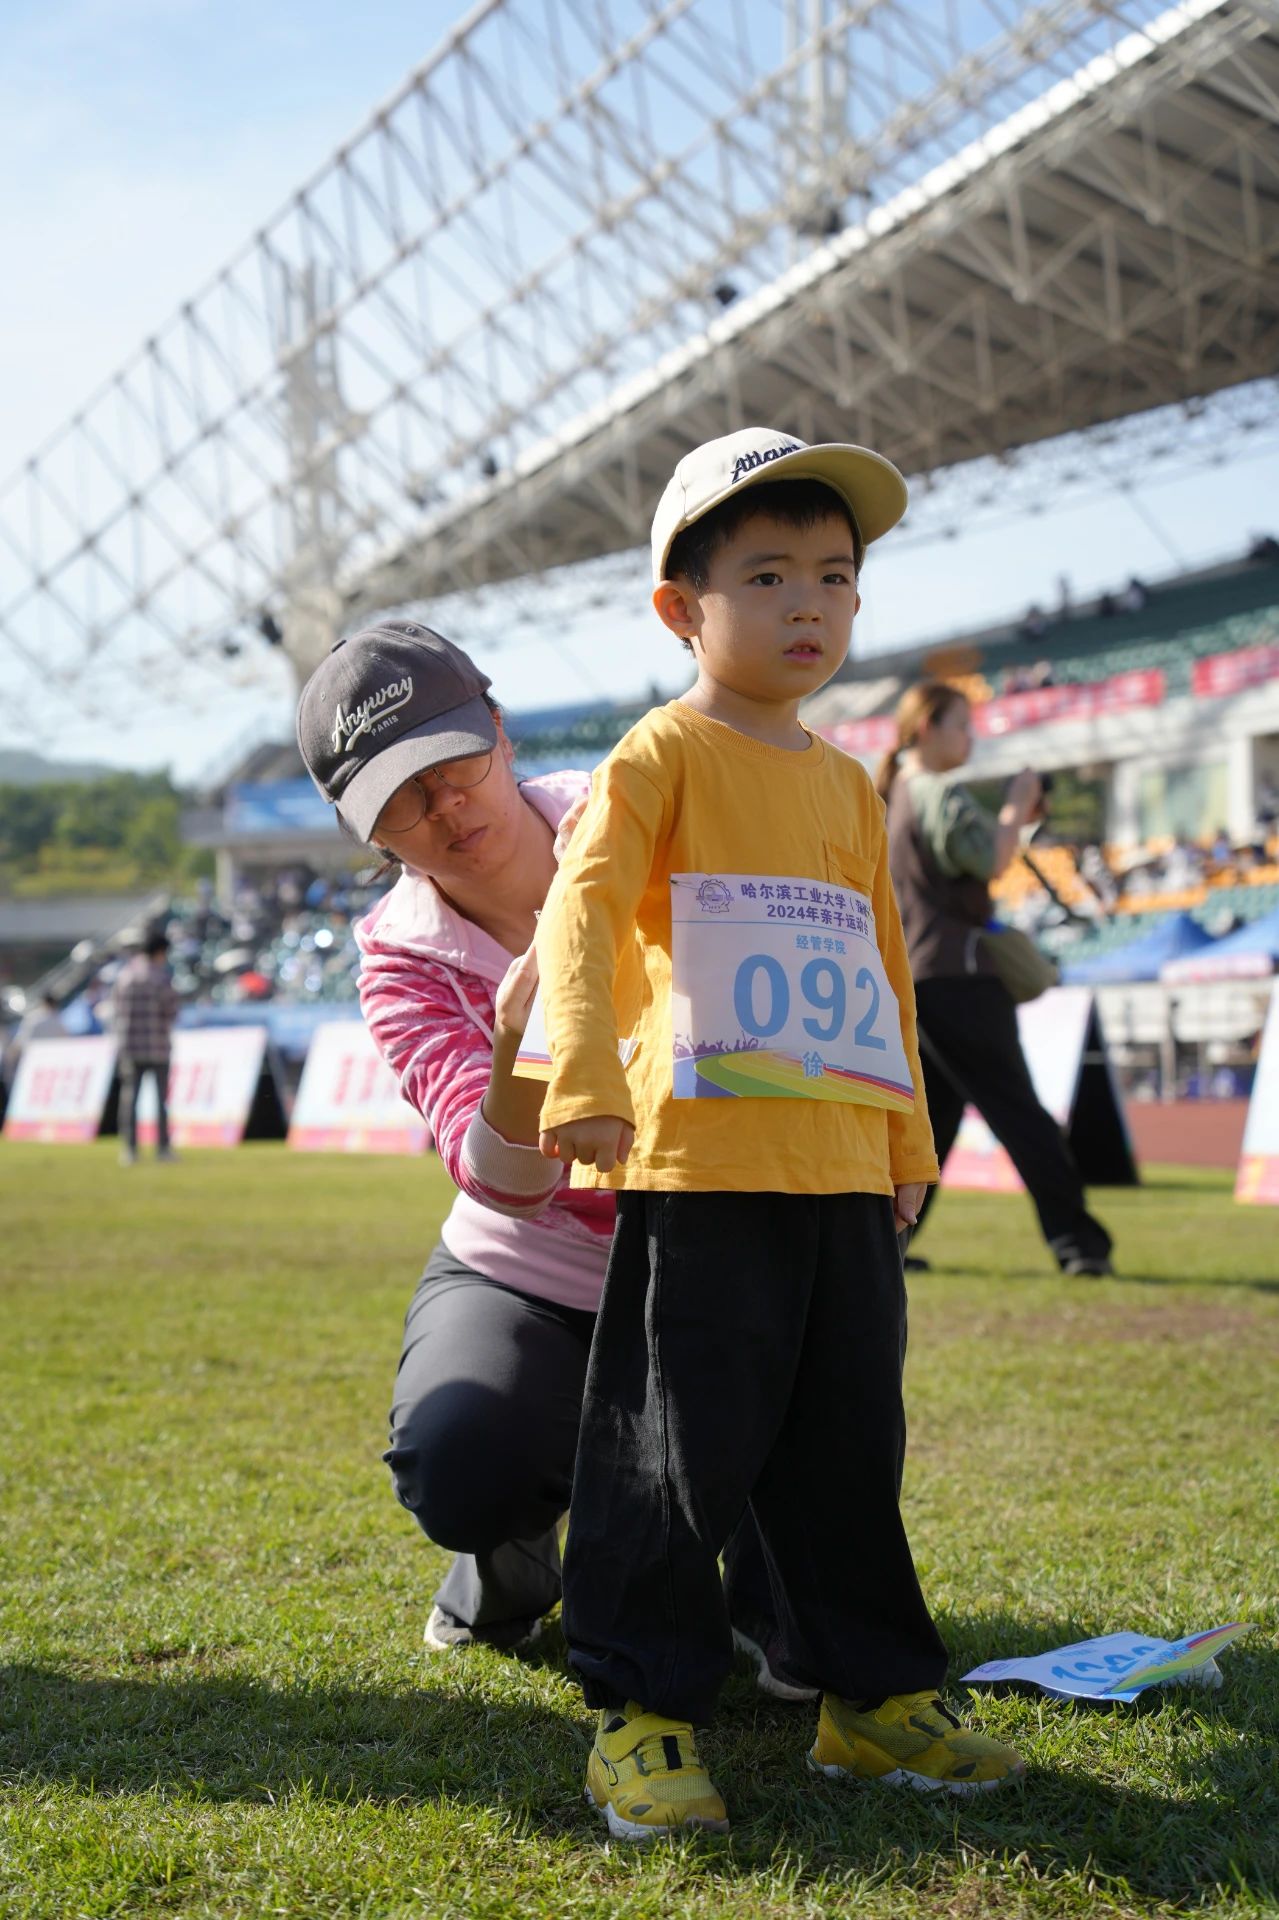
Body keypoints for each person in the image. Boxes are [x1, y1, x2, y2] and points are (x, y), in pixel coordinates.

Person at [532, 428, 1025, 1841]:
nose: (810, 604)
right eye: (766, 575)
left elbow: (873, 959)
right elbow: (580, 910)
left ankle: (864, 1699)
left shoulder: (840, 781)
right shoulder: (660, 754)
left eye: (834, 575)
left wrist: (903, 1148)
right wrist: (579, 1071)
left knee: (844, 1442)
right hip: (700, 1171)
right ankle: (640, 1710)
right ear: (682, 609)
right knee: (669, 1449)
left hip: (835, 1176)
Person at [294, 620, 801, 1693]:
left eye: (454, 763)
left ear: (500, 730)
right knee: (461, 1460)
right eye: (398, 798)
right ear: (364, 833)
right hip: (527, 1265)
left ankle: (760, 1569)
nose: (445, 808)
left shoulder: (641, 804)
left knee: (803, 1503)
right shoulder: (397, 955)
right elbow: (506, 1182)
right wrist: (527, 1032)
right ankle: (510, 1566)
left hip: (707, 1228)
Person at [877, 680, 1113, 1276]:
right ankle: (1078, 1243)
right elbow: (991, 861)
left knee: (935, 1122)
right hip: (960, 976)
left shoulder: (892, 793)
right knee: (1019, 1113)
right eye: (962, 724)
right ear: (927, 727)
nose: (971, 736)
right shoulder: (937, 791)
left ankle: (887, 1247)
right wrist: (1015, 806)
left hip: (917, 978)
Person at [110, 931, 179, 1165]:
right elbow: (172, 1010)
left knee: (130, 1100)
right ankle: (163, 1149)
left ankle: (129, 1150)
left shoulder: (124, 976)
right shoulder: (160, 978)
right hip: (158, 1047)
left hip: (130, 1047)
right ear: (160, 952)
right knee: (161, 1102)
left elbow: (115, 1010)